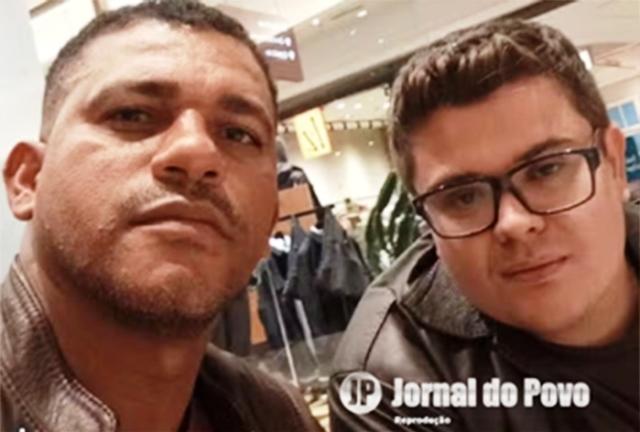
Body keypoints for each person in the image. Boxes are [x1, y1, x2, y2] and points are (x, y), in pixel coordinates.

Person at [0, 1, 321, 431]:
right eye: (131, 114)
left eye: (238, 133)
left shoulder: (277, 416)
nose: (197, 152)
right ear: (29, 180)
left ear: (270, 221)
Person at [330, 19, 639, 431]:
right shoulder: (391, 382)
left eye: (546, 170)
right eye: (463, 197)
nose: (514, 223)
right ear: (427, 223)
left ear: (614, 164)